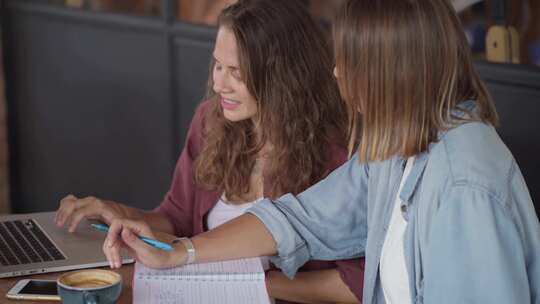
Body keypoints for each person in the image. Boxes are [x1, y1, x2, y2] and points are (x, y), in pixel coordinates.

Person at [102, 0, 540, 303]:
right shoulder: (398, 148)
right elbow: (302, 217)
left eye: (349, 59)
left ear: (392, 71)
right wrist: (180, 253)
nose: (335, 71)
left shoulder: (466, 187)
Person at [55, 0, 365, 303]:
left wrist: (254, 282)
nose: (219, 84)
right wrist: (117, 214)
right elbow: (176, 218)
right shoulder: (210, 121)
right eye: (217, 65)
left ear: (284, 77)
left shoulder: (340, 153)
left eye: (236, 72)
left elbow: (359, 284)